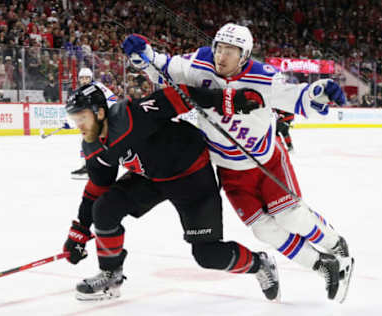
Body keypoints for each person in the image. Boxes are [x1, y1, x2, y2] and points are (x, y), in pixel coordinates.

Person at [123, 23, 354, 303]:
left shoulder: (263, 77)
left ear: (244, 55)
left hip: (267, 163)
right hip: (230, 170)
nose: (222, 56)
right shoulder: (200, 62)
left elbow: (295, 95)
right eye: (219, 48)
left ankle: (335, 245)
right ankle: (322, 265)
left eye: (230, 51)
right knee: (263, 229)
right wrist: (143, 54)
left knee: (290, 215)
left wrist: (318, 91)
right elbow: (164, 66)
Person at [63, 82, 280, 301]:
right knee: (104, 208)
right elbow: (97, 188)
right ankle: (111, 273)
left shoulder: (132, 115)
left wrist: (226, 100)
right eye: (75, 119)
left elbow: (179, 95)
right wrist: (79, 230)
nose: (78, 125)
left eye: (82, 118)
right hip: (152, 178)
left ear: (99, 113)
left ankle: (260, 264)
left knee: (207, 254)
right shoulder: (93, 147)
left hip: (191, 176)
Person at [70, 67, 117, 180]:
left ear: (91, 78)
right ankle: (88, 167)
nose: (85, 80)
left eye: (87, 78)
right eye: (82, 78)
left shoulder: (98, 87)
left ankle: (92, 168)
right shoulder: (80, 92)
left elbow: (112, 99)